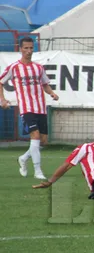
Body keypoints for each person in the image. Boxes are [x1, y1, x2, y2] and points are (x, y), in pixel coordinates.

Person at [0, 36, 59, 180]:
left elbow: (45, 83)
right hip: (27, 108)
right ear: (20, 49)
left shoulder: (38, 68)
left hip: (40, 107)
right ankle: (38, 171)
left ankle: (23, 158)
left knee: (43, 141)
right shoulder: (14, 67)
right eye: (26, 48)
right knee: (36, 136)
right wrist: (2, 99)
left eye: (31, 48)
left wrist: (52, 93)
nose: (29, 51)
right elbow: (0, 82)